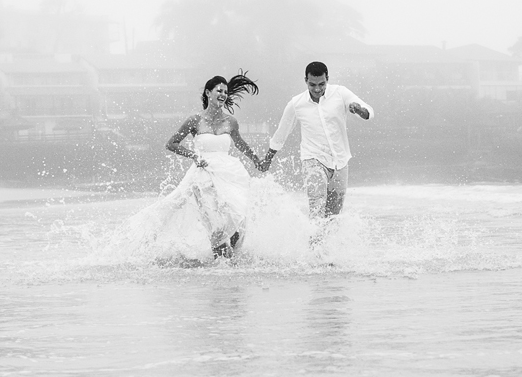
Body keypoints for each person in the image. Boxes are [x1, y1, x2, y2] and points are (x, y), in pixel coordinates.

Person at [160, 71, 263, 258]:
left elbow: (240, 144)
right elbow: (171, 144)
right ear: (208, 93)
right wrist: (193, 155)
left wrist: (256, 159)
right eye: (219, 90)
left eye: (225, 91)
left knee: (237, 221)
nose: (223, 94)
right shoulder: (195, 119)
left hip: (228, 174)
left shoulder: (230, 121)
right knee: (215, 224)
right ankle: (218, 269)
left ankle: (231, 269)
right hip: (203, 175)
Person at [260, 61, 373, 221]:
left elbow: (368, 111)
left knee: (333, 217)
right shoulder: (296, 104)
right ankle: (313, 246)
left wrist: (361, 110)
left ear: (327, 78)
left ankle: (326, 246)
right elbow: (281, 133)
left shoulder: (340, 93)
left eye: (322, 84)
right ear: (305, 80)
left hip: (340, 162)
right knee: (317, 209)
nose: (317, 89)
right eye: (312, 84)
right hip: (313, 161)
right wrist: (268, 159)